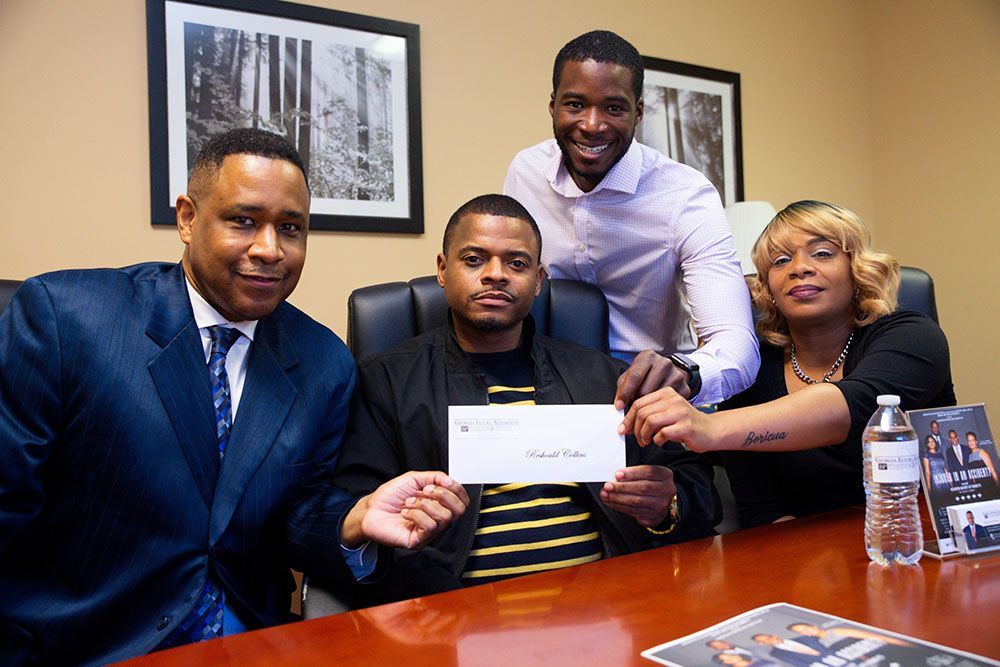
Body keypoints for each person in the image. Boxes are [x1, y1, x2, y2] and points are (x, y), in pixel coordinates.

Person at [0, 129, 465, 665]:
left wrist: (353, 521)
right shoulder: (67, 318)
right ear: (188, 219)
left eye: (290, 229)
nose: (269, 249)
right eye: (243, 220)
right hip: (92, 644)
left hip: (254, 641)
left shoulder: (323, 361)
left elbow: (296, 509)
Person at [330, 194, 718, 606]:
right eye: (475, 259)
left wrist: (667, 505)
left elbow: (698, 492)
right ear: (443, 270)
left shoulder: (605, 378)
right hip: (452, 615)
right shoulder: (385, 381)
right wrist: (398, 517)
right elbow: (351, 512)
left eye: (516, 263)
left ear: (538, 279)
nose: (495, 275)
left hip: (605, 607)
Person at [619, 200, 956, 527]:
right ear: (767, 288)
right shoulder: (752, 368)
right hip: (810, 559)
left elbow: (853, 407)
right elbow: (762, 510)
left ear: (857, 269)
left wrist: (708, 428)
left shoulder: (913, 336)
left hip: (922, 539)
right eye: (780, 261)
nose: (799, 268)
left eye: (822, 253)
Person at [502, 29, 758, 405]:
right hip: (545, 391)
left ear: (638, 111)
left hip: (653, 398)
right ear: (552, 105)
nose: (592, 125)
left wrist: (687, 373)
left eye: (614, 108)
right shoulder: (525, 172)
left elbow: (736, 343)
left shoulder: (687, 195)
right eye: (575, 105)